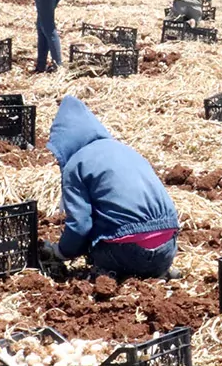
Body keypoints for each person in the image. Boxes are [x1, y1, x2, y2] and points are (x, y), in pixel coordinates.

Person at [39, 96, 181, 279]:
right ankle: (158, 272)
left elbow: (80, 226)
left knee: (92, 244)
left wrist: (60, 253)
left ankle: (111, 272)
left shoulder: (77, 164)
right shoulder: (125, 150)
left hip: (125, 253)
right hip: (168, 248)